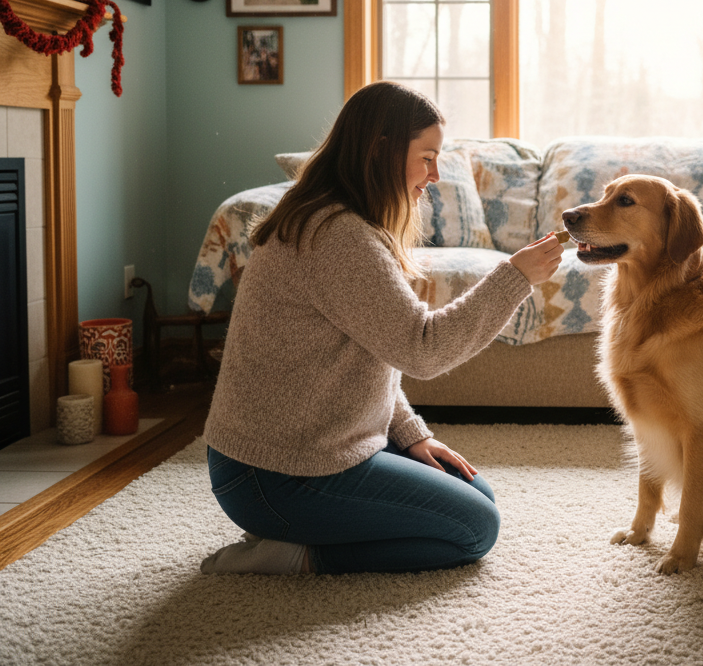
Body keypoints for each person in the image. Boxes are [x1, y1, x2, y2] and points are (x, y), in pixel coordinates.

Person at [200, 81, 564, 575]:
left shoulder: (344, 222)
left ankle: (301, 530)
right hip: (274, 473)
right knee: (475, 528)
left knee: (477, 492)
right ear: (382, 151)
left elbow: (374, 352)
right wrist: (514, 276)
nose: (435, 175)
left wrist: (411, 435)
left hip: (310, 450)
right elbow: (422, 349)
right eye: (428, 158)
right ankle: (297, 554)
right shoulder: (337, 237)